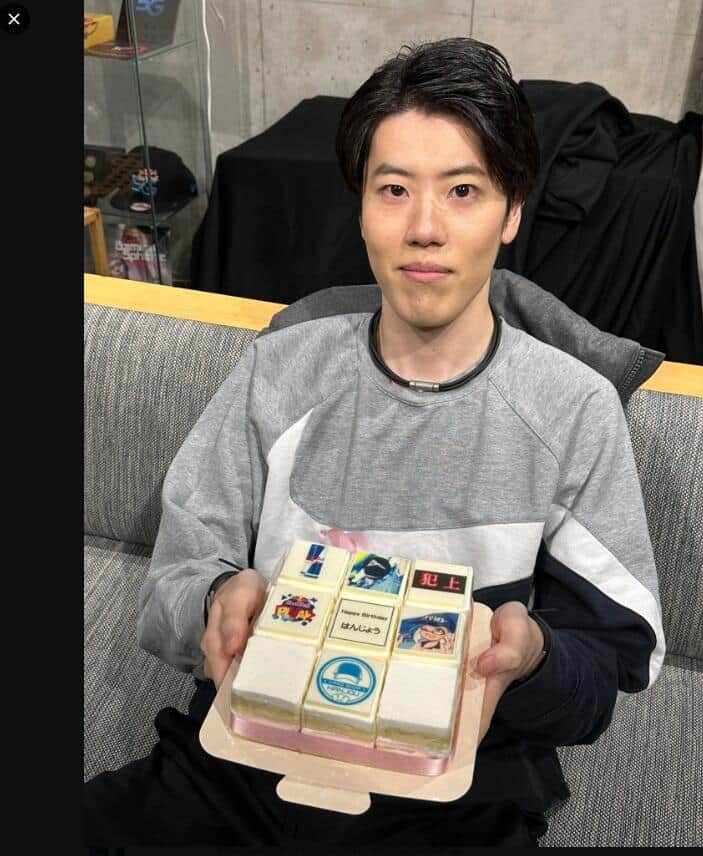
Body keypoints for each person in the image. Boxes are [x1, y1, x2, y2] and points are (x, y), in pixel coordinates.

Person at [83, 37, 663, 847]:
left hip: (456, 800)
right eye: (394, 190)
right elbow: (176, 578)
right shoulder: (279, 370)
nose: (424, 228)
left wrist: (531, 656)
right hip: (237, 773)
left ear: (512, 213)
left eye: (463, 191)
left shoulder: (573, 409)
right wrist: (216, 603)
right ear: (361, 208)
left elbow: (609, 664)